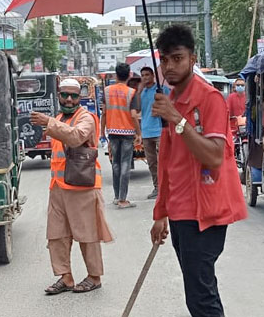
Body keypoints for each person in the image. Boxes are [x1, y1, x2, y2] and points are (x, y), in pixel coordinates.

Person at [149, 24, 247, 317]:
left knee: (201, 296)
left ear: (193, 59)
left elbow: (215, 156)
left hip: (206, 211)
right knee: (197, 291)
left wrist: (177, 119)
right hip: (180, 211)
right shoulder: (169, 99)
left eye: (177, 58)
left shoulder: (210, 98)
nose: (169, 66)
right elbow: (169, 164)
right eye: (164, 60)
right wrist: (160, 213)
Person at [30, 78, 113, 295]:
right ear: (58, 95)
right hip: (58, 187)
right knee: (56, 235)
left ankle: (94, 277)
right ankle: (65, 277)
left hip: (82, 187)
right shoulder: (59, 118)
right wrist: (52, 122)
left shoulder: (86, 118)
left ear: (81, 97)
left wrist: (49, 122)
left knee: (87, 234)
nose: (69, 99)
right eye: (64, 95)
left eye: (74, 95)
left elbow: (76, 137)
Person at [101, 63, 141, 209]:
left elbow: (104, 112)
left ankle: (117, 196)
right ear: (129, 75)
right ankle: (123, 199)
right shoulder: (131, 92)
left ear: (116, 75)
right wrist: (139, 133)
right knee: (125, 164)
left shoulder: (106, 91)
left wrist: (101, 132)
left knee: (115, 164)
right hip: (128, 134)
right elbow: (134, 115)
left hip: (112, 132)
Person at [132, 67, 170, 199]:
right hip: (146, 132)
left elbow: (171, 105)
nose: (145, 77)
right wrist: (139, 92)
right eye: (142, 75)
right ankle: (157, 187)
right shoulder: (141, 93)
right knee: (152, 162)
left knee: (164, 161)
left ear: (153, 75)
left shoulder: (162, 89)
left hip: (160, 130)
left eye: (147, 74)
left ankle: (167, 187)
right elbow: (136, 109)